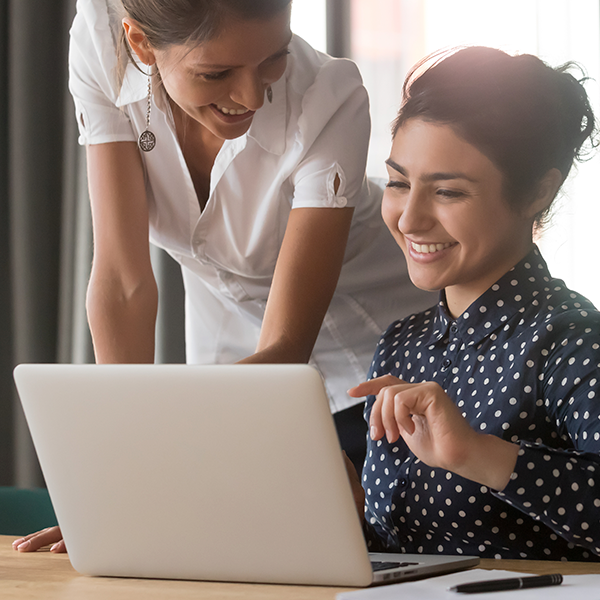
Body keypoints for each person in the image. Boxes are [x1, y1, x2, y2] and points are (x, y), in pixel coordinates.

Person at [13, 0, 434, 553]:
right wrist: (119, 491)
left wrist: (162, 465)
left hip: (379, 362)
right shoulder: (105, 40)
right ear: (142, 45)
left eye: (274, 59)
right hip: (235, 360)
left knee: (349, 554)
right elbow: (122, 281)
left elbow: (286, 349)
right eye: (216, 74)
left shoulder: (329, 97)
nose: (252, 97)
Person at [346, 46, 600, 561]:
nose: (409, 218)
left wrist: (476, 454)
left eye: (448, 192)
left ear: (537, 193)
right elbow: (402, 550)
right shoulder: (402, 345)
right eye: (398, 183)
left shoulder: (572, 340)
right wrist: (342, 513)